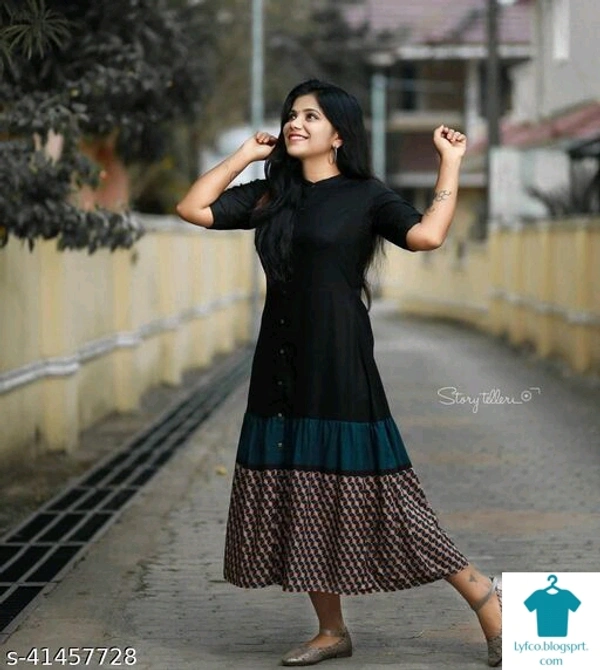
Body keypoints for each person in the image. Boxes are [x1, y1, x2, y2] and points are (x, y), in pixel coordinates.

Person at [176, 79, 502, 667]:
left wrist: (450, 163)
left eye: (311, 116)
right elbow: (193, 208)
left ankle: (485, 599)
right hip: (279, 364)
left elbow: (427, 235)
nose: (295, 123)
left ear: (339, 135)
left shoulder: (366, 195)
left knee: (384, 499)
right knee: (302, 495)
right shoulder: (274, 194)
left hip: (340, 363)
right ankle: (331, 631)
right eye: (292, 114)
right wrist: (246, 154)